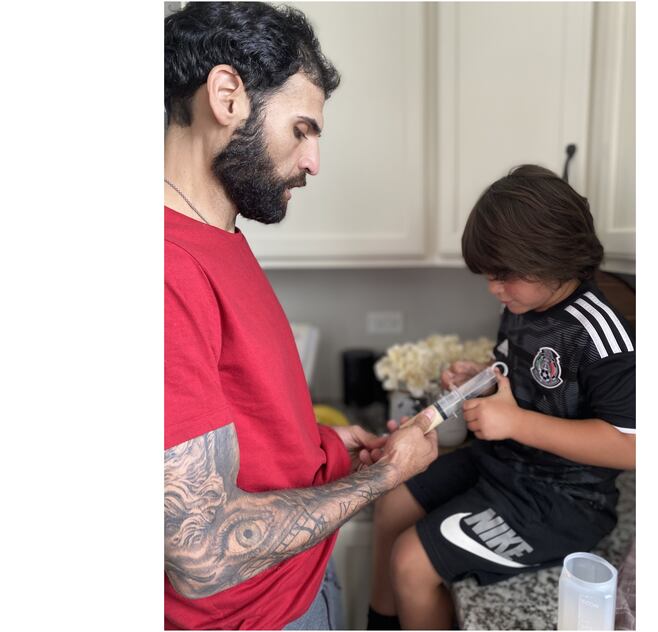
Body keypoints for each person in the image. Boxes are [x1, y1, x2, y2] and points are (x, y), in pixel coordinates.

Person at [163, 3, 438, 629]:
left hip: (302, 579)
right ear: (227, 96)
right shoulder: (166, 268)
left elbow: (239, 424)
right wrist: (385, 477)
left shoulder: (217, 235)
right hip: (258, 616)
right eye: (302, 129)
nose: (314, 161)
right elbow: (202, 553)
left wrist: (321, 447)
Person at [367, 164, 636, 630]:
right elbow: (523, 380)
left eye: (504, 274)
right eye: (489, 275)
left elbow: (630, 445)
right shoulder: (522, 304)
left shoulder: (600, 333)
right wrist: (482, 380)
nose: (494, 288)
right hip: (504, 464)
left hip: (565, 502)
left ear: (552, 256)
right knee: (392, 502)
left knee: (412, 563)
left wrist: (515, 423)